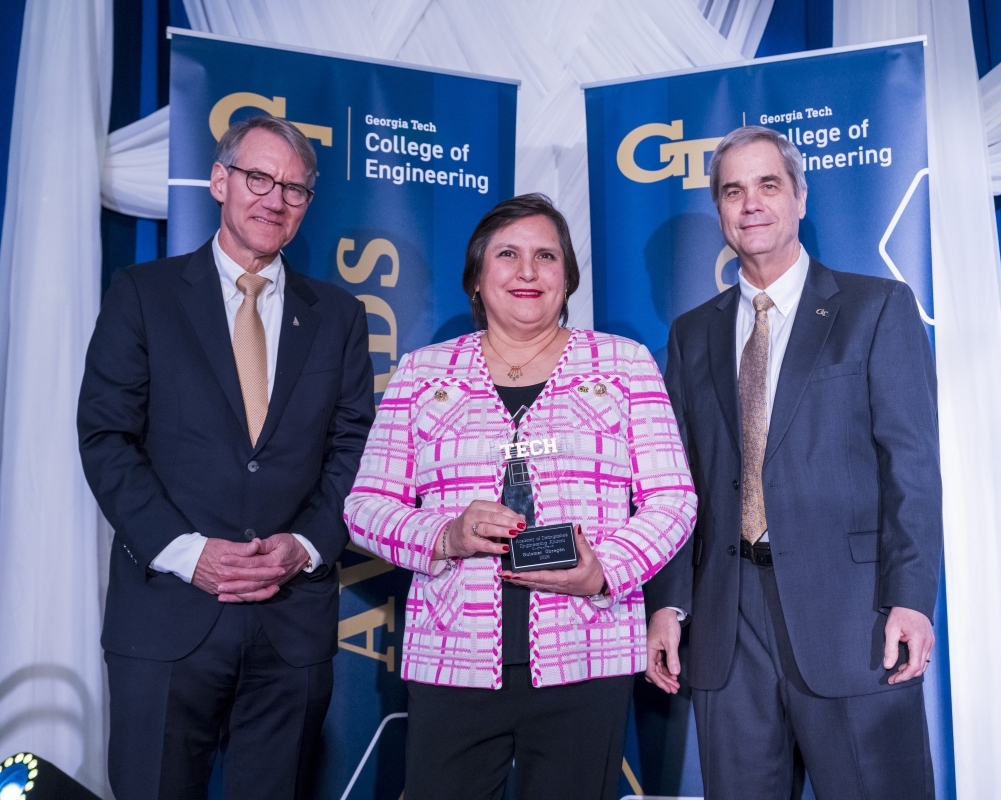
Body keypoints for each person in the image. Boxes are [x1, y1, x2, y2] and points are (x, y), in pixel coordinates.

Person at [344, 192, 697, 800]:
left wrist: (604, 572)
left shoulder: (624, 365)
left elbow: (674, 500)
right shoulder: (422, 372)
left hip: (587, 652)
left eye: (546, 256)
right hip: (451, 657)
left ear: (568, 277)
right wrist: (445, 535)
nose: (528, 272)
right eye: (508, 254)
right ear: (478, 277)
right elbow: (364, 507)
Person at [78, 115, 374, 799]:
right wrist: (188, 552)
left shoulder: (338, 315)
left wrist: (304, 545)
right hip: (166, 617)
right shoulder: (143, 294)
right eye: (259, 178)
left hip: (289, 624)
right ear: (220, 180)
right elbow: (105, 437)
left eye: (295, 189)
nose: (274, 199)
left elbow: (353, 447)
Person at [643, 126, 942, 799]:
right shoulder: (692, 335)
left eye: (768, 184)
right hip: (727, 624)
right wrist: (667, 605)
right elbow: (676, 481)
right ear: (719, 209)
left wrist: (912, 599)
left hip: (855, 618)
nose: (750, 203)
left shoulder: (875, 308)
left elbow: (913, 470)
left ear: (800, 198)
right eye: (733, 190)